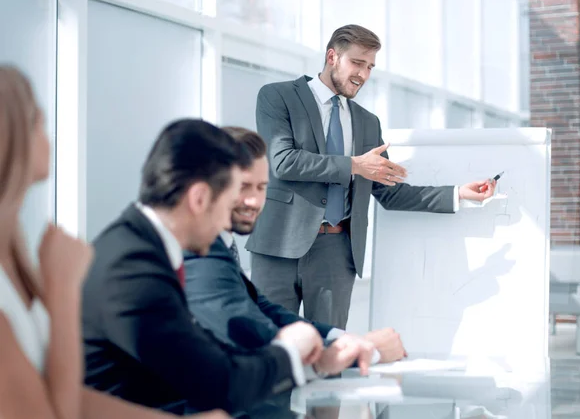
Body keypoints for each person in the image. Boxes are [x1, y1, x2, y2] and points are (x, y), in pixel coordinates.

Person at [81, 119, 374, 416]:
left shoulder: (140, 248)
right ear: (199, 198)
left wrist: (314, 360)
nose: (228, 219)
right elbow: (220, 383)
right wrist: (290, 351)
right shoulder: (134, 270)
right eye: (230, 198)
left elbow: (205, 359)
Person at [0, 66, 227, 418]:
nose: (50, 135)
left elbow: (68, 393)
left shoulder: (17, 257)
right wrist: (62, 292)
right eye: (38, 121)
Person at [246, 24, 497, 329]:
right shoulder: (278, 96)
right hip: (277, 246)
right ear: (332, 57)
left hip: (336, 253)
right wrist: (353, 165)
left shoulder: (367, 123)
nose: (363, 75)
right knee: (271, 342)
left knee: (331, 352)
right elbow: (283, 161)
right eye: (357, 63)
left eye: (370, 67)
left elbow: (389, 192)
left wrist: (458, 193)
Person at [184, 126, 405, 363]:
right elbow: (251, 336)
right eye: (243, 186)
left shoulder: (220, 244)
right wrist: (365, 352)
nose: (255, 201)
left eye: (262, 187)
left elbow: (261, 309)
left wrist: (343, 339)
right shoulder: (197, 252)